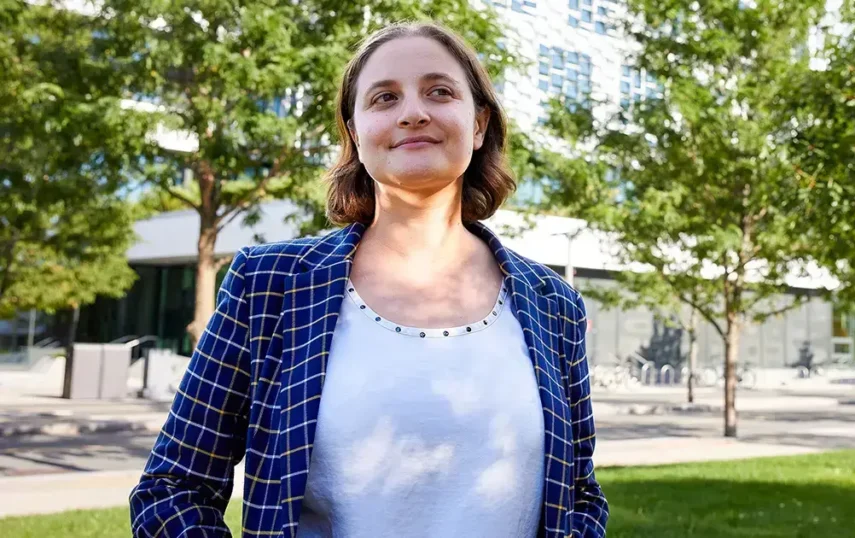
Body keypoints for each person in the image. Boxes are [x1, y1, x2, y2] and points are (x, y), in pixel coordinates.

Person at [129, 22, 608, 538]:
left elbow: (579, 495)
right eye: (384, 98)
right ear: (355, 134)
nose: (413, 112)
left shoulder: (553, 304)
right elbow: (174, 489)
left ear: (478, 124)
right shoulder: (269, 285)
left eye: (439, 91)